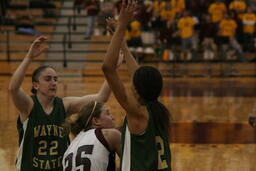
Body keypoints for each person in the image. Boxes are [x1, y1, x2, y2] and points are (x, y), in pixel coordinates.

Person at [8, 36, 114, 171]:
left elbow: (101, 97)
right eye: (47, 79)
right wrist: (29, 57)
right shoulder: (29, 106)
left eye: (55, 79)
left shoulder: (64, 105)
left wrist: (112, 71)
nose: (53, 83)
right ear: (36, 85)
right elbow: (13, 88)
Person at [102, 1, 172, 170]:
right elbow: (137, 75)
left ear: (137, 89)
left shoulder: (138, 114)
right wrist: (123, 44)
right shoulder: (157, 109)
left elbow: (108, 68)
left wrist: (121, 28)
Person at [62, 101, 121, 171]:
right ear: (96, 121)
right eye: (108, 114)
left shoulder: (69, 150)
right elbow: (133, 163)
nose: (112, 117)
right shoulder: (109, 135)